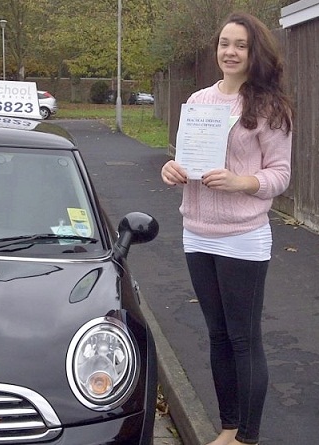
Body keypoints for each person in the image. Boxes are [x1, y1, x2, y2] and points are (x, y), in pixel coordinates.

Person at [161, 11, 293, 445]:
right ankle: (229, 427)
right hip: (196, 231)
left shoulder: (268, 106)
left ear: (254, 53)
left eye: (241, 45)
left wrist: (243, 182)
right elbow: (187, 159)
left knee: (243, 337)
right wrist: (172, 168)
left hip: (243, 236)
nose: (230, 52)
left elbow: (280, 173)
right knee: (217, 335)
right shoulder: (198, 101)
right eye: (224, 43)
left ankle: (246, 437)